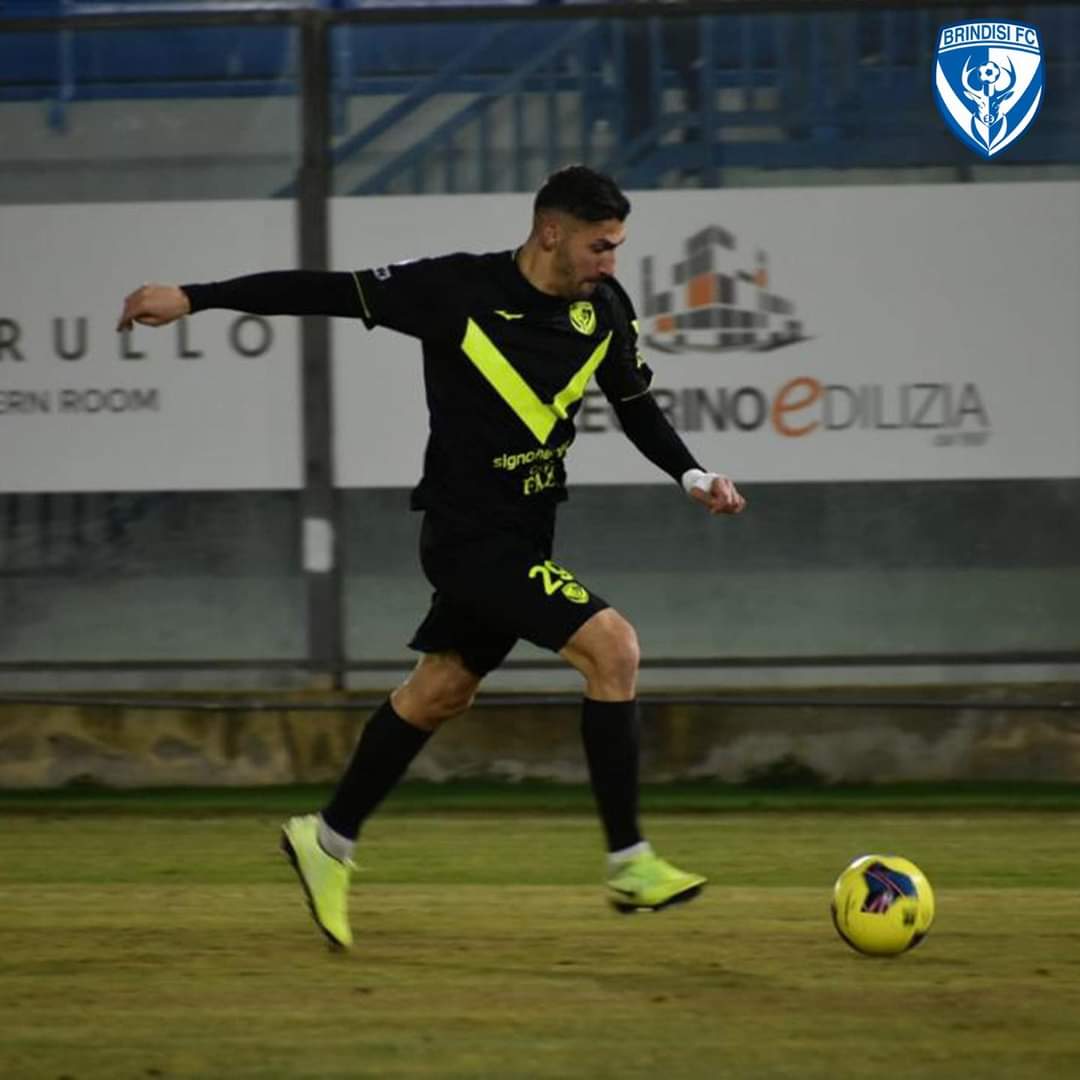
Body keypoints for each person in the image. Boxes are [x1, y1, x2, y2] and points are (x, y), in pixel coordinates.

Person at [117, 165, 746, 951]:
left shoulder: (605, 310)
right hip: (465, 536)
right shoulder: (457, 291)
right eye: (600, 246)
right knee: (612, 648)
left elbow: (633, 404)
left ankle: (328, 839)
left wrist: (690, 472)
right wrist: (196, 296)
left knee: (439, 692)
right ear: (551, 232)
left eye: (617, 247)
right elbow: (327, 291)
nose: (611, 263)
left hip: (527, 532)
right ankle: (630, 861)